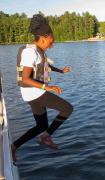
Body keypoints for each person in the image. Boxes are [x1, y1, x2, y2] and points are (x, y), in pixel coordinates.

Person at [11, 14, 73, 162]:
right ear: (43, 37)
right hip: (34, 92)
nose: (52, 45)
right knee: (67, 109)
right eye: (51, 42)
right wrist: (48, 87)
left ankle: (14, 146)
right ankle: (46, 137)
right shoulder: (30, 52)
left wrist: (60, 71)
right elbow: (25, 78)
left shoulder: (38, 52)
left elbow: (44, 65)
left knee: (41, 125)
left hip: (31, 94)